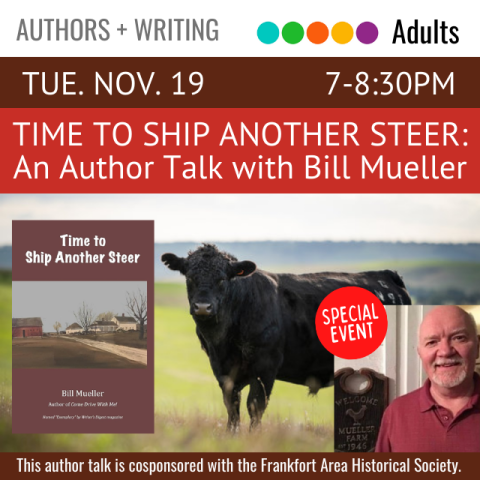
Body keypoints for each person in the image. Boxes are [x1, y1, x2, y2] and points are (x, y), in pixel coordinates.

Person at [376, 305, 480, 452]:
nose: (445, 351)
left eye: (458, 338)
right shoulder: (396, 412)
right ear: (420, 353)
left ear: (477, 347)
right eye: (432, 342)